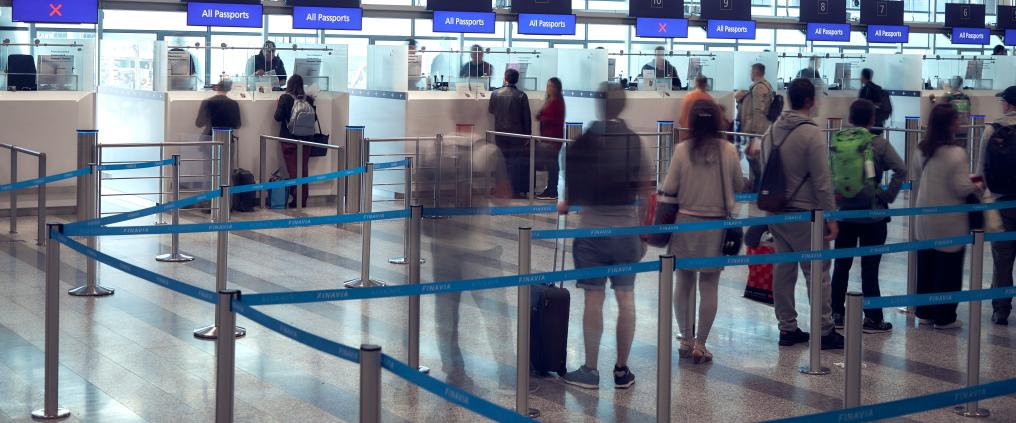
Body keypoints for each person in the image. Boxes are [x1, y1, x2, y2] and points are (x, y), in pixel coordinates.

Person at [560, 82, 654, 389]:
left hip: (591, 233)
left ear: (598, 105)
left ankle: (590, 370)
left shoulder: (583, 142)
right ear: (623, 104)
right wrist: (642, 233)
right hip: (626, 230)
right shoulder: (635, 141)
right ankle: (622, 370)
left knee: (593, 299)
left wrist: (566, 203)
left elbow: (570, 197)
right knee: (626, 298)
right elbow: (646, 190)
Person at [759, 78, 843, 349]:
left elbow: (763, 172)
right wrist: (831, 217)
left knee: (784, 270)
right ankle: (824, 330)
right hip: (805, 215)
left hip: (777, 214)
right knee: (816, 271)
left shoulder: (770, 132)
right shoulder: (811, 133)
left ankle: (787, 328)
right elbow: (822, 181)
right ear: (810, 101)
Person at [662, 99, 743, 363]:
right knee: (709, 285)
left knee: (683, 281)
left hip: (685, 221)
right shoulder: (729, 151)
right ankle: (701, 344)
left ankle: (685, 338)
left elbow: (670, 186)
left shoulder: (682, 150)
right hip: (716, 224)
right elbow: (739, 185)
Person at [829, 99, 907, 334]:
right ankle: (872, 318)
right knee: (870, 268)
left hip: (843, 215)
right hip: (873, 216)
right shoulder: (879, 144)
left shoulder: (838, 141)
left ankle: (836, 314)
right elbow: (901, 169)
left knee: (841, 266)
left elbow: (829, 174)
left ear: (850, 118)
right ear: (872, 120)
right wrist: (887, 195)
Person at [911, 103, 980, 329]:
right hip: (949, 221)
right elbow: (961, 188)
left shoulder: (921, 149)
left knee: (927, 266)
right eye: (956, 119)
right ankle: (945, 316)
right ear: (949, 124)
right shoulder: (956, 153)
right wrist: (977, 184)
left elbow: (919, 178)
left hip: (924, 217)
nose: (959, 122)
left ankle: (925, 312)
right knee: (948, 269)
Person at [976, 86, 1016, 325]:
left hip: (1002, 203)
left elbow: (979, 174)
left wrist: (983, 199)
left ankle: (1001, 310)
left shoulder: (992, 130)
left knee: (1002, 259)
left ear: (1009, 104)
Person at [488, 68, 533, 198]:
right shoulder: (521, 95)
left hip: (500, 132)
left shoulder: (495, 93)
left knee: (501, 162)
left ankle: (501, 190)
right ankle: (514, 190)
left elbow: (491, 110)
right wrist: (527, 135)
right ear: (517, 79)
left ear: (505, 78)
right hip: (517, 134)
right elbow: (526, 117)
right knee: (515, 162)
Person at [273, 74, 316, 208]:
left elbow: (278, 117)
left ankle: (296, 199)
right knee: (303, 169)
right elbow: (314, 119)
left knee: (293, 170)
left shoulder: (285, 98)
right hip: (307, 140)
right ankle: (303, 199)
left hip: (290, 139)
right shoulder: (308, 99)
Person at [737, 63, 774, 192]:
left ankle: (757, 192)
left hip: (757, 131)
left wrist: (756, 135)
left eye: (751, 71)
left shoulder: (759, 88)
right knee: (754, 162)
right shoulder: (761, 87)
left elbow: (758, 111)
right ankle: (756, 188)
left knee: (755, 163)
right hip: (757, 131)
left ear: (755, 72)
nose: (750, 74)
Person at [536, 77, 565, 200]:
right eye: (548, 85)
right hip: (547, 137)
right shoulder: (549, 100)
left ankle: (552, 190)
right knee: (550, 164)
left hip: (553, 138)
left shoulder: (557, 102)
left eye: (552, 86)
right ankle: (550, 189)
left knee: (553, 165)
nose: (549, 88)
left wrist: (542, 118)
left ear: (557, 88)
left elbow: (556, 120)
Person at [930, 76, 971, 144]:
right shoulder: (965, 97)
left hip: (950, 129)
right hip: (964, 128)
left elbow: (939, 112)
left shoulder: (947, 96)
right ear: (961, 84)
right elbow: (968, 113)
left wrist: (933, 101)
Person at [677, 76, 714, 141]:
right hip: (702, 135)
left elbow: (683, 117)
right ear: (705, 84)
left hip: (687, 131)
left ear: (696, 83)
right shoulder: (708, 98)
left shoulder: (689, 96)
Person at [858, 68, 889, 135]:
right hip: (879, 123)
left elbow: (859, 108)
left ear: (863, 76)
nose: (860, 78)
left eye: (860, 76)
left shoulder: (864, 90)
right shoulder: (878, 88)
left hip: (867, 125)